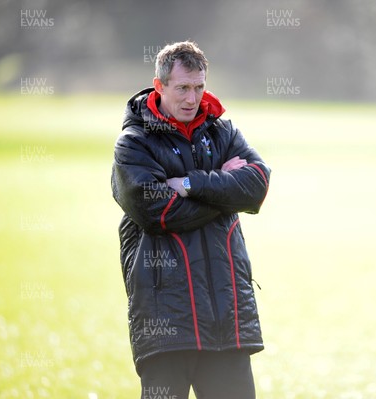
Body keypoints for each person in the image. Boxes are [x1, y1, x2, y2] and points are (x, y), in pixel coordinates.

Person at [111, 41, 270, 399]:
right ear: (159, 86)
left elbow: (257, 186)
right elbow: (160, 212)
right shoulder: (133, 144)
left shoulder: (224, 132)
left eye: (199, 87)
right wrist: (225, 192)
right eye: (182, 88)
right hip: (166, 323)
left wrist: (189, 183)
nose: (192, 98)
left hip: (226, 318)